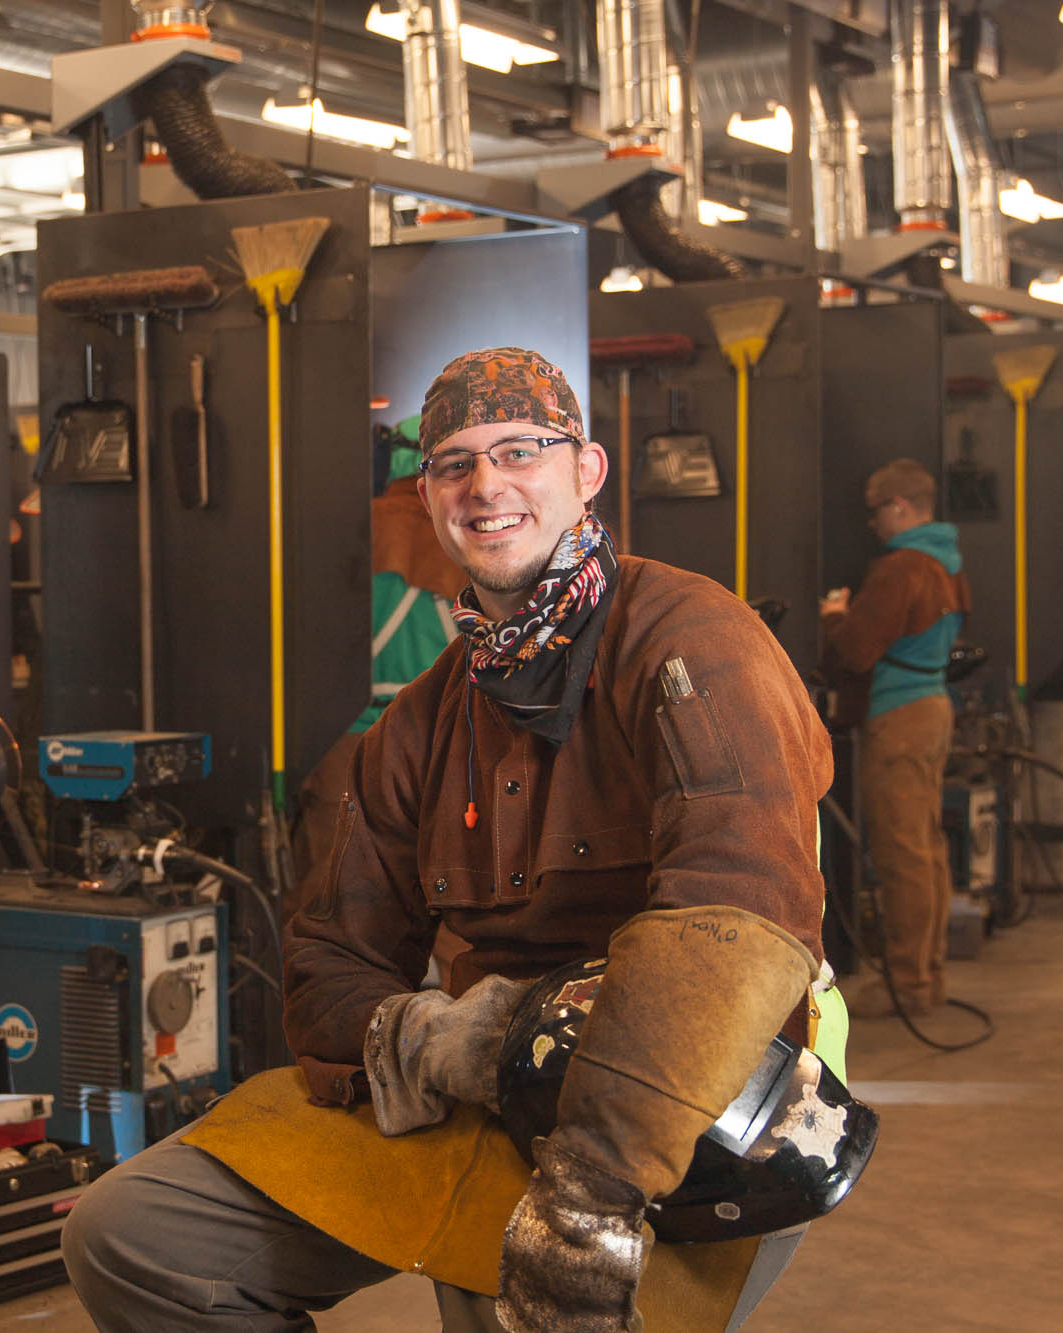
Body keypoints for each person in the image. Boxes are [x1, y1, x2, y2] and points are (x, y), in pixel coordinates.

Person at [61, 347, 834, 1332]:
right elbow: (327, 966)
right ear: (426, 498)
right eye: (454, 464)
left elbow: (736, 922)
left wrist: (588, 1198)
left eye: (518, 450)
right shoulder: (423, 721)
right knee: (134, 1228)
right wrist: (431, 1038)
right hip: (494, 1103)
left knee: (517, 1285)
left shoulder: (687, 640)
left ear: (584, 471)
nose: (485, 484)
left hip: (688, 1119)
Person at [291, 415, 465, 908]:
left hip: (343, 747)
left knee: (332, 906)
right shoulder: (472, 532)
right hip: (445, 747)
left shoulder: (346, 532)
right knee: (456, 906)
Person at [820, 459, 969, 1018]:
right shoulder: (947, 562)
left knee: (902, 852)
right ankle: (926, 977)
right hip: (932, 707)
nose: (872, 522)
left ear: (900, 507)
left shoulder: (902, 567)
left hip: (899, 715)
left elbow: (855, 650)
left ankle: (907, 988)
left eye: (876, 510)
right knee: (925, 848)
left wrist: (835, 616)